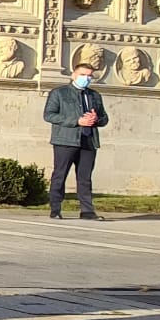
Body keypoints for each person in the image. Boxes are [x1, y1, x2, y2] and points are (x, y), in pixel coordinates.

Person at [46, 62, 110, 220]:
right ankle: (55, 208)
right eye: (83, 75)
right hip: (65, 140)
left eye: (89, 76)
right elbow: (49, 115)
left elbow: (104, 118)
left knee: (85, 177)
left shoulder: (94, 96)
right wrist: (76, 120)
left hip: (88, 140)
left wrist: (97, 119)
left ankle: (87, 210)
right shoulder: (59, 93)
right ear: (74, 75)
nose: (86, 78)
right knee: (60, 175)